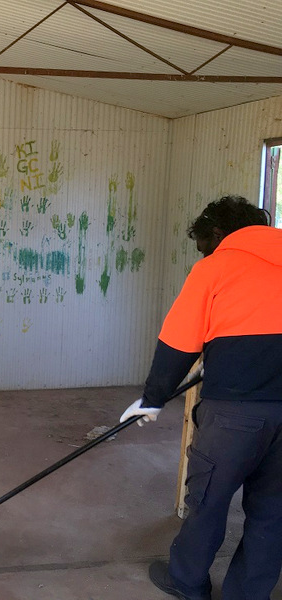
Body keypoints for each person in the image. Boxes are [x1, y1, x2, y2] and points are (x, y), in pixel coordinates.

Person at [120, 195, 282, 599]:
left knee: (208, 500)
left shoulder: (215, 268)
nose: (205, 253)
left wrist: (153, 399)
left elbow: (178, 343)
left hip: (234, 415)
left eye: (205, 245)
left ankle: (187, 581)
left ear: (218, 233)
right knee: (273, 513)